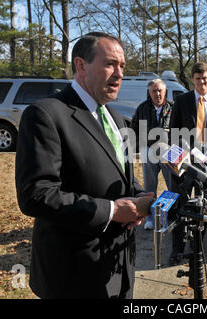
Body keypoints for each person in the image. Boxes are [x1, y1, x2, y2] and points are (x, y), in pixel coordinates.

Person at [15, 32, 152, 298]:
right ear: (80, 65)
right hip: (74, 274)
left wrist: (139, 197)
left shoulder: (117, 118)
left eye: (122, 66)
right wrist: (111, 211)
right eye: (110, 63)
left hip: (118, 267)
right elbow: (36, 194)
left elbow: (123, 176)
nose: (119, 73)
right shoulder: (46, 114)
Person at [168, 61, 207, 265]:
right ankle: (177, 249)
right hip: (184, 164)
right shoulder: (182, 101)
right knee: (180, 206)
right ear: (192, 80)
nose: (201, 81)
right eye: (197, 78)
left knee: (202, 208)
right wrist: (178, 159)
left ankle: (197, 250)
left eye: (204, 78)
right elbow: (173, 132)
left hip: (206, 166)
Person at [130, 79, 173, 230]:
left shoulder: (173, 107)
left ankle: (170, 216)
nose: (158, 94)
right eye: (154, 91)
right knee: (149, 187)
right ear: (149, 93)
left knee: (172, 185)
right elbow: (134, 128)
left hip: (168, 152)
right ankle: (150, 218)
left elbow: (181, 128)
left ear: (165, 91)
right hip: (149, 151)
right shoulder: (142, 108)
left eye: (160, 90)